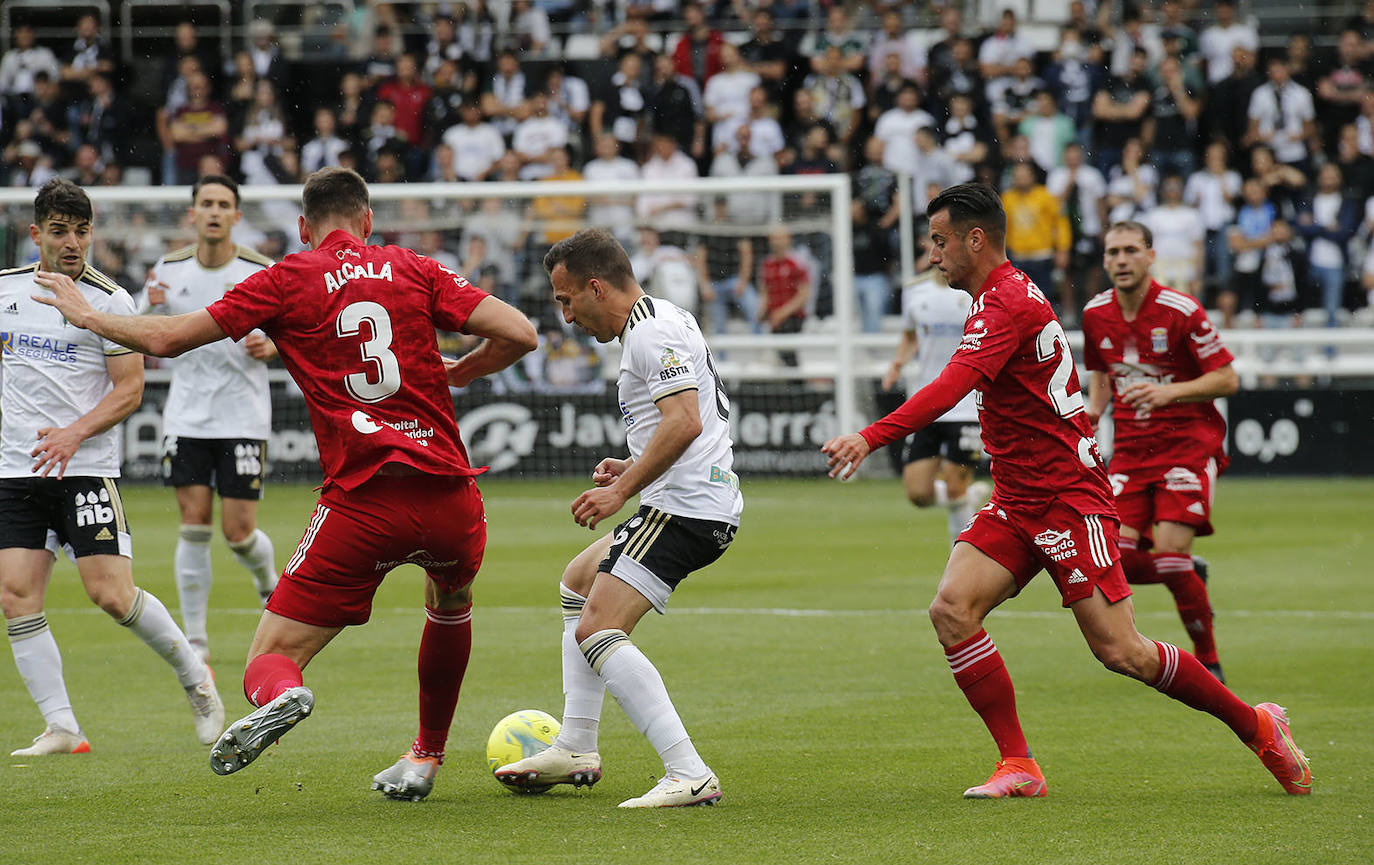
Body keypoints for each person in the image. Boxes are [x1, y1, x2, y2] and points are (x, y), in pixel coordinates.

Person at [33, 167, 538, 801]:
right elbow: (521, 332)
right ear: (368, 221)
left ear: (303, 228)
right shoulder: (415, 267)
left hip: (365, 503)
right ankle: (424, 758)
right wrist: (464, 370)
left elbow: (167, 336)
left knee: (266, 661)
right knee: (450, 603)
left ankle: (285, 694)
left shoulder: (285, 279)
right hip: (450, 496)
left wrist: (86, 314)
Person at [820, 183, 1311, 799]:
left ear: (976, 239)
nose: (932, 253)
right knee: (951, 610)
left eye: (940, 240)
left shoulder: (1004, 305)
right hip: (1017, 497)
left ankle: (1258, 725)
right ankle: (1018, 764)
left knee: (1121, 651)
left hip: (1067, 500)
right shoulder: (999, 297)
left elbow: (951, 387)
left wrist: (869, 436)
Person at [493, 228, 742, 808]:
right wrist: (631, 463)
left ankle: (688, 772)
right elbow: (684, 419)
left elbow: (685, 422)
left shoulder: (650, 333)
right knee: (577, 584)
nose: (567, 317)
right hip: (689, 498)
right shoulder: (660, 319)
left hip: (686, 509)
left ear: (596, 287)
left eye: (566, 300)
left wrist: (624, 489)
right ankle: (576, 744)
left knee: (597, 629)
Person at [1, 178, 225, 756]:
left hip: (85, 470)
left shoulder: (109, 301)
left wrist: (74, 434)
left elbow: (128, 392)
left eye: (81, 231)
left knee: (111, 594)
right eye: (59, 231)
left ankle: (197, 679)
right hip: (15, 471)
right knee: (17, 595)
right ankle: (62, 727)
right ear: (36, 236)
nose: (72, 243)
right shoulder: (4, 292)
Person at [1081, 221, 1238, 682]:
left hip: (1187, 445)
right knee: (1112, 561)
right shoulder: (1095, 313)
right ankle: (1189, 571)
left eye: (1131, 250)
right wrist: (1094, 411)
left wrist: (1168, 394)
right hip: (1130, 451)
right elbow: (1103, 371)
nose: (1121, 260)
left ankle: (1207, 658)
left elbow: (1227, 378)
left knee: (1168, 558)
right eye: (1113, 252)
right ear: (1105, 261)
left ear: (1151, 257)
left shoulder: (1181, 310)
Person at [142, 175, 280, 662]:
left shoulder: (260, 270)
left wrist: (273, 344)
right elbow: (140, 328)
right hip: (188, 417)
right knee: (193, 522)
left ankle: (269, 583)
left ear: (237, 216)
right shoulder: (169, 269)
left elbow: (292, 329)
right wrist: (149, 308)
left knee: (238, 531)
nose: (215, 211)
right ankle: (196, 641)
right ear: (193, 214)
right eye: (207, 203)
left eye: (224, 204)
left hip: (243, 416)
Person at [881, 253, 989, 546]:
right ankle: (969, 497)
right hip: (928, 403)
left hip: (966, 404)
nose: (939, 251)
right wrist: (897, 364)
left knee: (954, 486)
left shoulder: (975, 292)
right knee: (918, 493)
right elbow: (910, 335)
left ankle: (962, 553)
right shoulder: (915, 292)